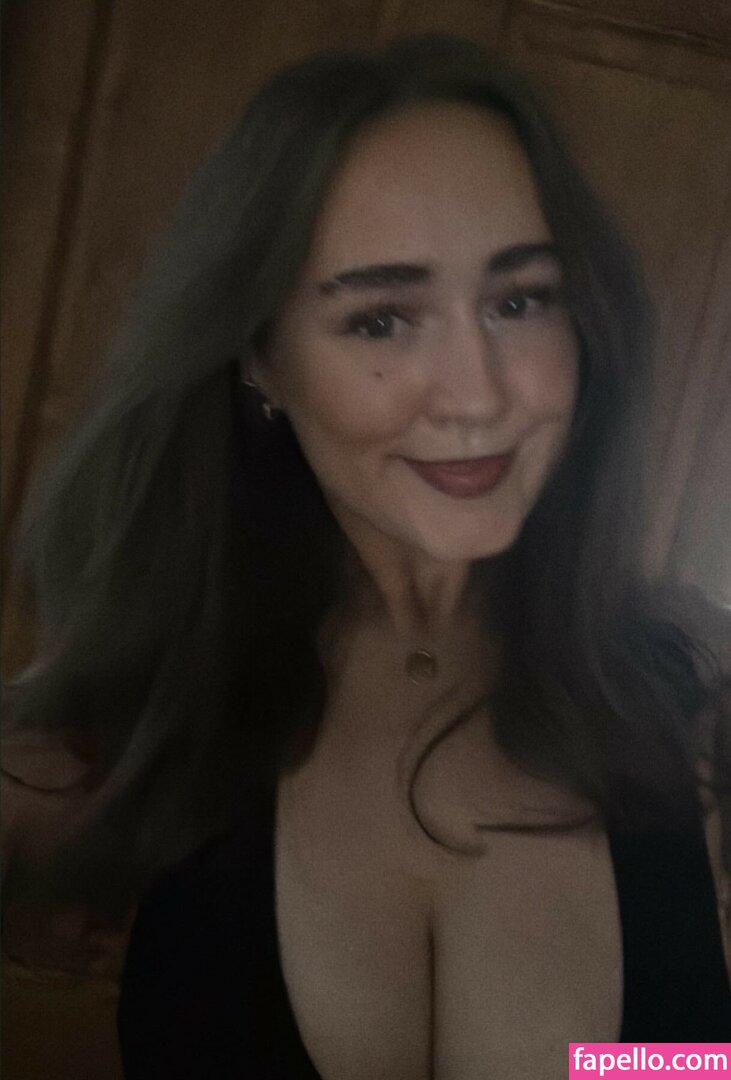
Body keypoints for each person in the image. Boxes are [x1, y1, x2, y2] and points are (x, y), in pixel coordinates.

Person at [5, 34, 730, 1078]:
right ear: (260, 358)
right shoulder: (116, 735)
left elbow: (687, 1064)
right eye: (380, 318)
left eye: (519, 300)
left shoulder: (694, 712)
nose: (476, 395)